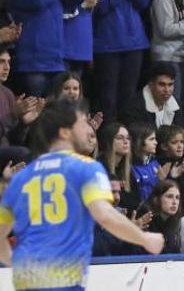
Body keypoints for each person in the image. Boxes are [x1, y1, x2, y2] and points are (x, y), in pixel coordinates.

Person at [0, 99, 163, 290]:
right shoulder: (86, 168)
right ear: (64, 132)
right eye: (83, 122)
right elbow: (105, 215)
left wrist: (11, 262)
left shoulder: (22, 177)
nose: (89, 129)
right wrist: (144, 239)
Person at [87, 0, 150, 122]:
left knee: (128, 99)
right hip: (107, 45)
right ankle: (107, 144)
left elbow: (144, 2)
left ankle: (125, 143)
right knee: (108, 99)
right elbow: (100, 8)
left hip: (134, 43)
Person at [7, 0, 73, 96]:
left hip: (56, 62)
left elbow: (74, 1)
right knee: (35, 113)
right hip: (32, 65)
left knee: (56, 113)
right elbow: (37, 0)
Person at [120, 63, 184, 129]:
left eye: (170, 85)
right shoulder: (134, 108)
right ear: (151, 85)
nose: (167, 90)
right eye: (162, 84)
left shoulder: (176, 105)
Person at [97, 122, 138, 212]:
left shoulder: (127, 171)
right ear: (108, 142)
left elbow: (136, 201)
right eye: (119, 138)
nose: (126, 141)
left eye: (128, 138)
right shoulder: (99, 167)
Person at [143, 180, 182, 254]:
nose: (174, 202)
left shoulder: (172, 222)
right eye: (169, 196)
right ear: (156, 199)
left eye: (177, 197)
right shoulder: (147, 221)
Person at [129, 123, 161, 202]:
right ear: (139, 141)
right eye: (151, 139)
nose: (156, 142)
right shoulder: (130, 167)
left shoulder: (155, 163)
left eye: (155, 139)